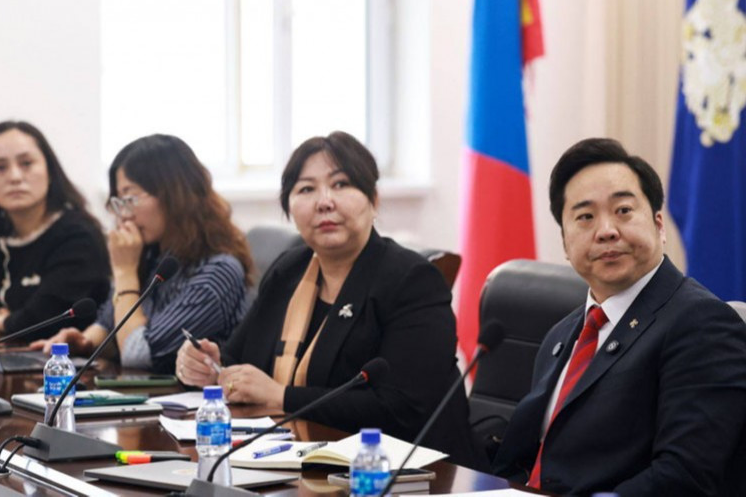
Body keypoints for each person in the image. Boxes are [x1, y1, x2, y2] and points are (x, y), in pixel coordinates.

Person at [175, 131, 475, 466]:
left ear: (374, 200)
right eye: (306, 189)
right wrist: (211, 367)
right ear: (289, 207)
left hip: (410, 473)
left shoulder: (412, 280)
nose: (324, 202)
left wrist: (282, 396)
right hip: (296, 462)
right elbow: (239, 358)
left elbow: (402, 408)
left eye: (341, 184)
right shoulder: (289, 271)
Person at [492, 138, 746, 496]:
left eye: (623, 210)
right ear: (565, 244)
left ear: (659, 225)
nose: (607, 230)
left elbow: (685, 477)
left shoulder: (703, 324)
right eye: (585, 217)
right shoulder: (561, 336)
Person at [33, 134, 251, 373]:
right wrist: (85, 342)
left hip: (189, 396)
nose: (124, 214)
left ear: (174, 194)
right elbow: (110, 322)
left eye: (130, 197)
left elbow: (137, 354)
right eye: (118, 202)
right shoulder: (154, 255)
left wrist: (125, 272)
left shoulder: (218, 272)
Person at [0, 121, 110, 339]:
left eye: (26, 163)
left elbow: (47, 317)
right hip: (7, 355)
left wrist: (3, 321)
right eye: (0, 168)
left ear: (50, 171)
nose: (15, 177)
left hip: (65, 358)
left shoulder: (79, 236)